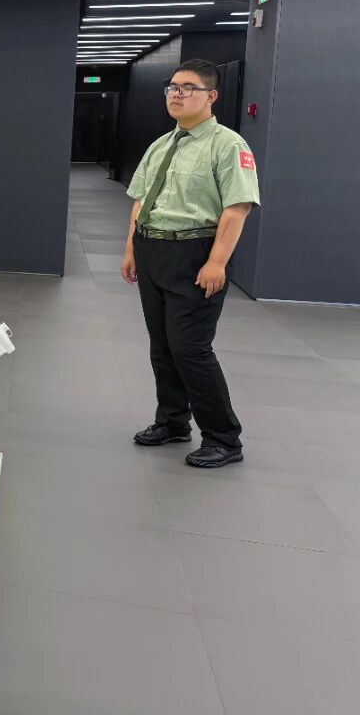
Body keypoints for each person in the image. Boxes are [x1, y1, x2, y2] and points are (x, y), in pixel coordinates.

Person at [121, 59, 260, 469]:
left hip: (195, 253)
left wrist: (217, 262)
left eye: (188, 88)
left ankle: (223, 438)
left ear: (211, 96)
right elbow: (140, 200)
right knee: (162, 346)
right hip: (152, 250)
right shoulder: (161, 145)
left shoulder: (228, 145)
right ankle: (172, 421)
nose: (177, 94)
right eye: (172, 87)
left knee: (190, 348)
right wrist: (131, 249)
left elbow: (237, 208)